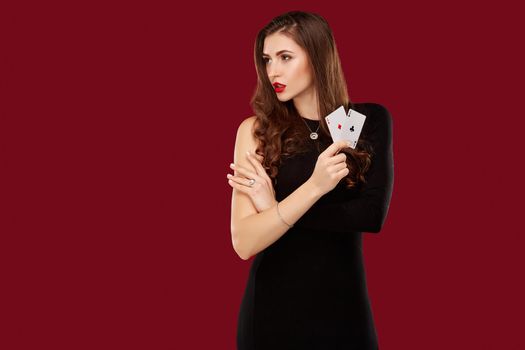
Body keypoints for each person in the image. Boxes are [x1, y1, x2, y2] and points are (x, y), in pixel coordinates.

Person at [226, 10, 394, 350]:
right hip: (272, 312)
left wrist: (276, 212)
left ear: (317, 55)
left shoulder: (366, 120)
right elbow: (244, 242)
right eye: (267, 59)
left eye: (285, 57)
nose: (273, 70)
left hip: (345, 309)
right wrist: (315, 187)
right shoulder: (256, 131)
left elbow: (370, 215)